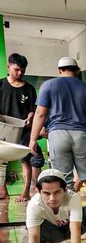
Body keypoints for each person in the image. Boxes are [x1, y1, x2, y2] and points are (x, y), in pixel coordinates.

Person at [28, 57, 86, 216]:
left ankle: (68, 216)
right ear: (77, 70)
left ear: (59, 70)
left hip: (58, 135)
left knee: (63, 179)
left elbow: (40, 114)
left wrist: (32, 139)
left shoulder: (48, 86)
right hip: (82, 135)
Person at [0, 53, 42, 201]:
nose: (20, 73)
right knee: (1, 161)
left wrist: (30, 116)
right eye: (17, 69)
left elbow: (33, 109)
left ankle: (25, 192)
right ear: (9, 66)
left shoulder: (29, 89)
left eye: (22, 70)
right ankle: (2, 191)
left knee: (25, 159)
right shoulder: (1, 84)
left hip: (23, 130)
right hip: (3, 129)